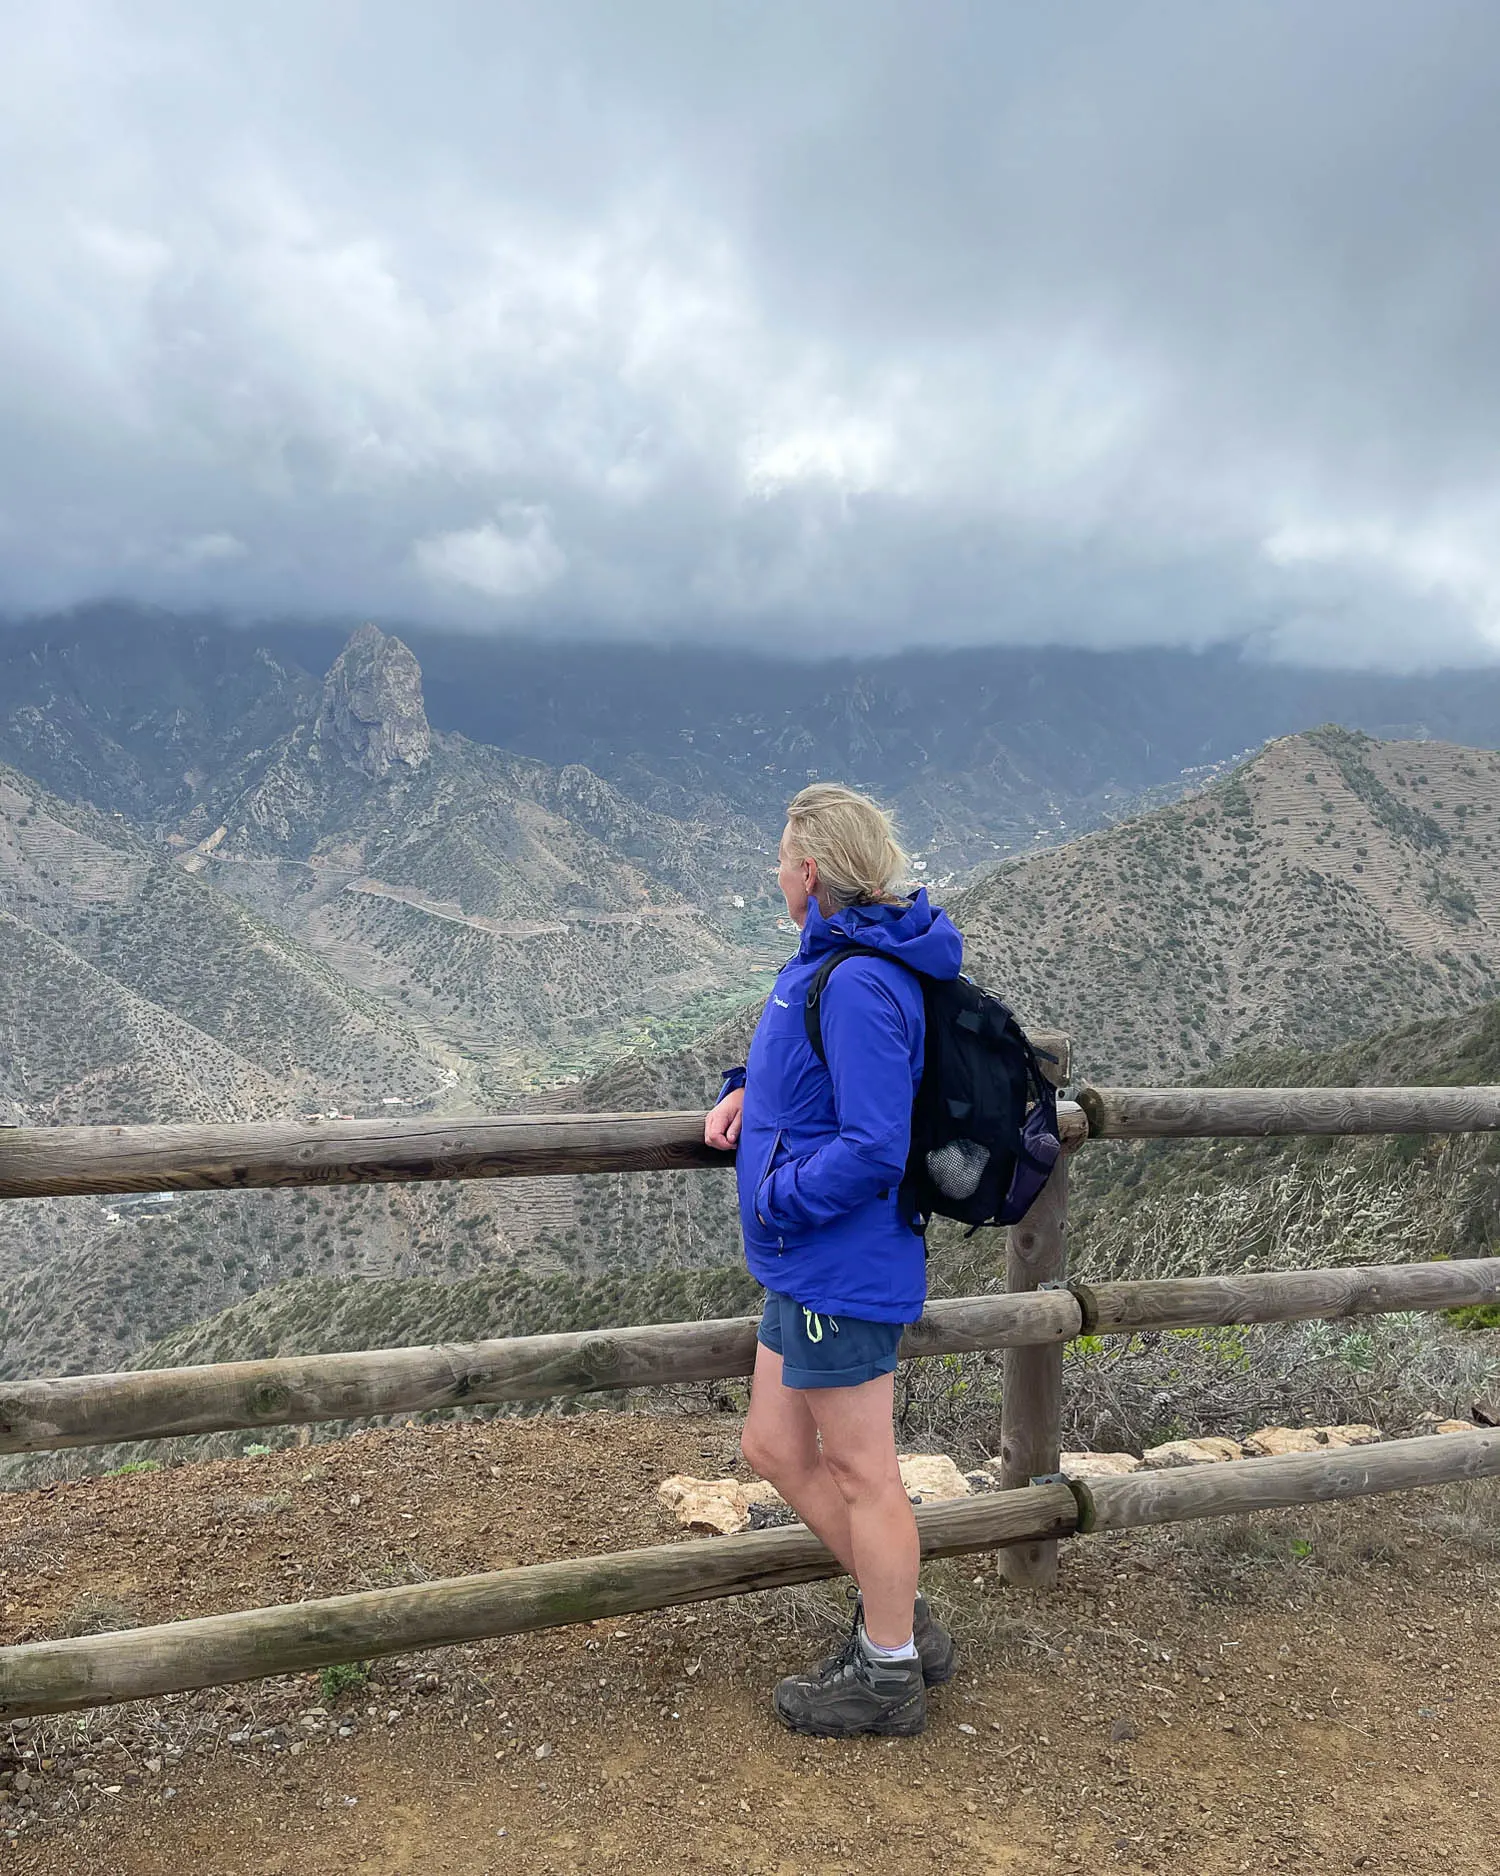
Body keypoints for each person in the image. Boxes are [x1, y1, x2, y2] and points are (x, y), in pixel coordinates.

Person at [704, 782, 964, 1737]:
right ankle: (902, 1622)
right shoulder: (830, 964)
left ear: (808, 872)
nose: (775, 876)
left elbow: (872, 1143)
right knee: (772, 1447)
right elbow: (810, 1072)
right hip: (805, 1265)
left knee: (863, 1471)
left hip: (836, 1266)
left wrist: (775, 1194)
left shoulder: (856, 979)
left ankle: (888, 1672)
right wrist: (743, 1089)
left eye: (780, 861)